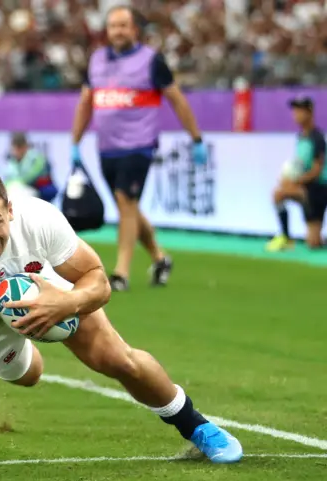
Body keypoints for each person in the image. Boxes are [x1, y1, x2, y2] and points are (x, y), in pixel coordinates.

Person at [0, 170, 243, 463]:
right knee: (30, 374)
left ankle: (196, 425)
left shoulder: (38, 218)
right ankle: (27, 350)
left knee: (118, 359)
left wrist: (68, 303)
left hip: (41, 287)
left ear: (10, 211)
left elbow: (98, 280)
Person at [71, 6, 208, 291]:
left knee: (125, 202)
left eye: (123, 25)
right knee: (128, 207)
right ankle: (160, 258)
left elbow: (177, 100)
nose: (117, 31)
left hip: (139, 146)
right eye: (112, 26)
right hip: (106, 148)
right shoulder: (96, 60)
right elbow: (86, 103)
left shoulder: (151, 61)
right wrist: (75, 141)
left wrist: (196, 138)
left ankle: (120, 273)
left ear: (135, 30)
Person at [266, 96, 327, 251]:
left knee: (313, 243)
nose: (296, 115)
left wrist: (296, 182)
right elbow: (299, 166)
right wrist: (288, 179)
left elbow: (316, 170)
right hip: (306, 189)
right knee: (278, 193)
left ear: (309, 112)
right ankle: (286, 237)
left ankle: (302, 238)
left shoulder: (317, 138)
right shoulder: (301, 137)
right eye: (295, 111)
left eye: (299, 111)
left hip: (318, 189)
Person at [3, 132, 58, 202]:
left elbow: (30, 177)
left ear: (25, 146)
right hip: (18, 189)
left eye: (18, 148)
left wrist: (16, 183)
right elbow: (8, 178)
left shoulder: (36, 158)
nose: (15, 151)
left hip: (37, 188)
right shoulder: (12, 160)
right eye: (14, 149)